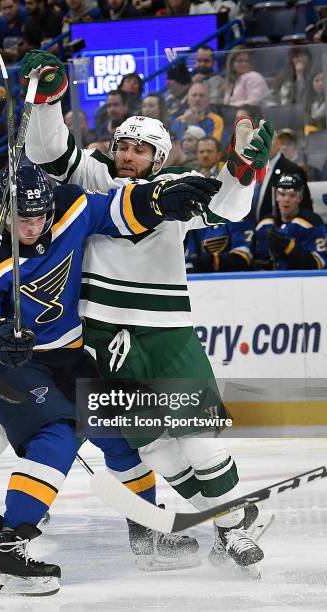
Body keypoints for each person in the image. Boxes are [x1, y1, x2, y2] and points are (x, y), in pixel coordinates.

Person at [21, 50, 274, 571]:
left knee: (198, 440)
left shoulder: (171, 191)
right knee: (155, 446)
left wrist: (244, 168)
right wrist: (47, 98)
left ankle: (231, 528)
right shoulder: (92, 177)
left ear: (160, 159)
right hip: (102, 337)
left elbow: (228, 206)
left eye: (141, 150)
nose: (129, 155)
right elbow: (46, 148)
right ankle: (229, 521)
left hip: (166, 335)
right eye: (124, 146)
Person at [0, 162, 219, 595]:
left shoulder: (70, 206)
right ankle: (8, 549)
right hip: (12, 366)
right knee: (56, 434)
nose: (35, 226)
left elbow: (117, 209)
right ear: (5, 210)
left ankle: (146, 534)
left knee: (120, 432)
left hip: (68, 354)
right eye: (25, 218)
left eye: (41, 216)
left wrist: (160, 201)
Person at [254, 173, 327, 271]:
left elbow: (319, 263)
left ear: (299, 198)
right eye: (282, 194)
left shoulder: (311, 222)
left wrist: (289, 248)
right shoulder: (265, 224)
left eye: (292, 195)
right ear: (276, 196)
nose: (286, 199)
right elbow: (258, 264)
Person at [253, 131, 312, 221]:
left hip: (279, 231)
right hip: (250, 230)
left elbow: (305, 207)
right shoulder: (251, 169)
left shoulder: (292, 169)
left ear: (278, 143)